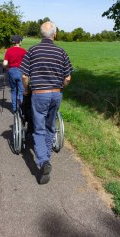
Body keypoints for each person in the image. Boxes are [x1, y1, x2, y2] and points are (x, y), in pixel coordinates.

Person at [20, 21, 73, 184]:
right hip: (56, 94)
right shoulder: (61, 52)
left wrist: (27, 90)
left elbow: (24, 76)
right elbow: (68, 77)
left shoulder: (32, 51)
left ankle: (43, 161)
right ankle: (46, 158)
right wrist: (60, 87)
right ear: (54, 34)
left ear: (40, 35)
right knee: (50, 126)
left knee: (39, 128)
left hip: (39, 94)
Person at [3, 35, 26, 113]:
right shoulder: (23, 51)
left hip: (11, 71)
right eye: (21, 41)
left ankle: (14, 109)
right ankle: (21, 108)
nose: (21, 42)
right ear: (19, 42)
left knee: (13, 90)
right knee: (21, 90)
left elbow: (5, 63)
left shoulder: (9, 51)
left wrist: (4, 67)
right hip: (20, 71)